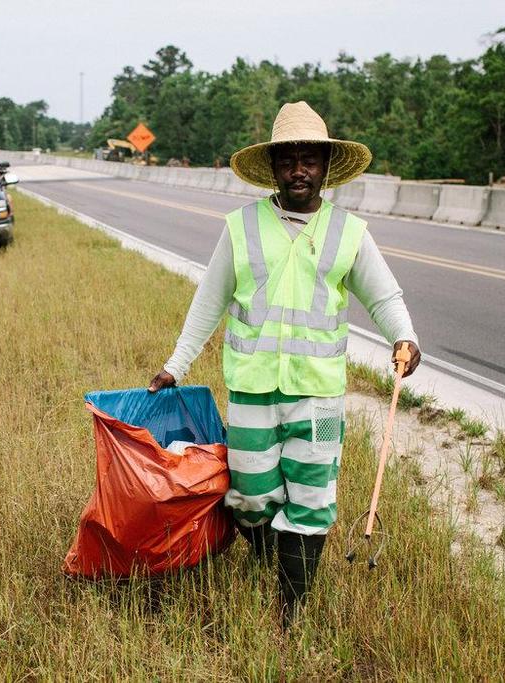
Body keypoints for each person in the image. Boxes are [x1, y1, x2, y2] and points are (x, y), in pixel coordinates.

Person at [148, 101, 421, 625]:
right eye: (288, 159)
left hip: (319, 395)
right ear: (273, 167)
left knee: (313, 495)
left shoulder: (349, 233)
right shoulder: (241, 228)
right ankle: (277, 562)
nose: (299, 168)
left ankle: (291, 610)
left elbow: (385, 298)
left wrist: (404, 337)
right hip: (253, 389)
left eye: (309, 159)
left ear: (325, 166)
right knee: (249, 496)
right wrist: (176, 366)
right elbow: (208, 302)